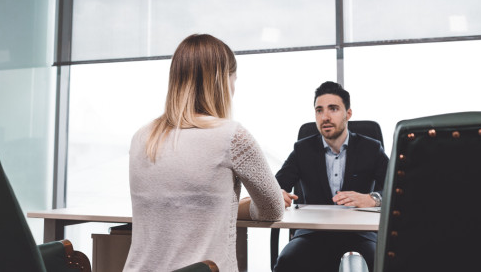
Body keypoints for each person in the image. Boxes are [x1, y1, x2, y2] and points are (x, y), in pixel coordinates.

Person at [123, 34, 285, 272]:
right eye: (234, 79)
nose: (233, 89)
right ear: (221, 81)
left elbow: (182, 203)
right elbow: (273, 209)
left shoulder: (142, 138)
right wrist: (244, 205)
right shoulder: (232, 137)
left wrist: (229, 205)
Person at [274, 81, 389, 272]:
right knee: (287, 261)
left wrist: (372, 198)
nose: (325, 117)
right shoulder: (302, 149)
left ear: (348, 114)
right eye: (319, 110)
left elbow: (397, 189)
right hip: (313, 232)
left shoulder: (371, 148)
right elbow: (276, 186)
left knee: (381, 263)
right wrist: (278, 193)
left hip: (360, 233)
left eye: (333, 109)